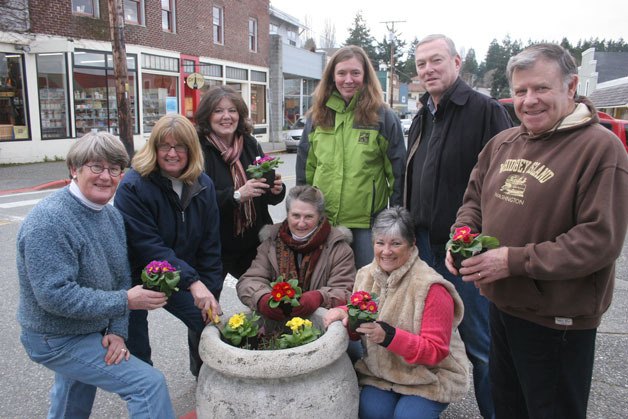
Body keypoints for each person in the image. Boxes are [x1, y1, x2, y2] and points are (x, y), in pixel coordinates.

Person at [446, 43, 628, 418]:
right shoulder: (502, 143)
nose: (529, 100)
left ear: (571, 86)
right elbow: (473, 201)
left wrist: (513, 261)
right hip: (503, 305)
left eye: (541, 88)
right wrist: (461, 236)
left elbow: (598, 240)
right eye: (520, 91)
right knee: (509, 406)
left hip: (558, 319)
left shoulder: (600, 149)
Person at [16, 132, 175, 418]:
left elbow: (120, 278)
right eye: (96, 167)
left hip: (87, 328)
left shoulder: (110, 215)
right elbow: (54, 296)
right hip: (54, 336)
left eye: (115, 169)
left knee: (76, 392)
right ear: (74, 170)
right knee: (147, 385)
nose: (106, 176)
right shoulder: (49, 222)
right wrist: (124, 302)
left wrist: (116, 331)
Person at [404, 34, 513, 418]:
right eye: (421, 64)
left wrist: (479, 241)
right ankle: (428, 403)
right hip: (423, 245)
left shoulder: (484, 110)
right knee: (433, 336)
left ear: (457, 61)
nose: (428, 69)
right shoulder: (422, 115)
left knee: (481, 344)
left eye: (437, 60)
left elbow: (503, 184)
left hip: (464, 251)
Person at [323, 207, 468, 418]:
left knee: (407, 415)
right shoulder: (365, 275)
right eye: (380, 243)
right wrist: (344, 313)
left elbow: (435, 351)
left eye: (396, 243)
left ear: (412, 245)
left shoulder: (431, 287)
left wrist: (388, 336)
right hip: (383, 373)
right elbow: (358, 327)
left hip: (430, 376)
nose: (386, 251)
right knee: (370, 412)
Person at [114, 114, 223, 378]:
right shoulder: (134, 185)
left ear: (191, 149)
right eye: (165, 146)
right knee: (136, 343)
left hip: (180, 272)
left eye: (180, 146)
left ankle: (207, 377)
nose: (172, 153)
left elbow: (210, 245)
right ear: (154, 148)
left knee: (209, 323)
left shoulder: (202, 184)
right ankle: (144, 390)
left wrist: (210, 291)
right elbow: (147, 245)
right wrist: (193, 282)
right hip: (139, 272)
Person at [297, 45, 406, 269]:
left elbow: (398, 174)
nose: (348, 79)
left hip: (367, 225)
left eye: (355, 73)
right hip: (324, 222)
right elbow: (306, 169)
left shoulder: (383, 117)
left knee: (367, 290)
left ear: (365, 76)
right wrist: (304, 213)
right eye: (341, 73)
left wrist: (395, 221)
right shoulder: (317, 116)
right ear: (331, 77)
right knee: (325, 286)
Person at [196, 85, 286, 280]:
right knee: (207, 305)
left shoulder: (250, 144)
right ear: (207, 116)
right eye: (218, 111)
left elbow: (267, 195)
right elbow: (197, 198)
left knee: (265, 297)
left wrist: (276, 190)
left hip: (252, 240)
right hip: (215, 243)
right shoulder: (198, 149)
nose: (226, 116)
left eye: (232, 110)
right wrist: (236, 195)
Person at [237, 185, 355, 320]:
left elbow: (345, 291)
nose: (301, 223)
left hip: (322, 322)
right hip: (279, 322)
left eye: (309, 217)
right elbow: (249, 281)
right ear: (287, 214)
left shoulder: (338, 247)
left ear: (320, 216)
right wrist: (262, 299)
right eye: (296, 215)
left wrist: (319, 297)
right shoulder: (272, 242)